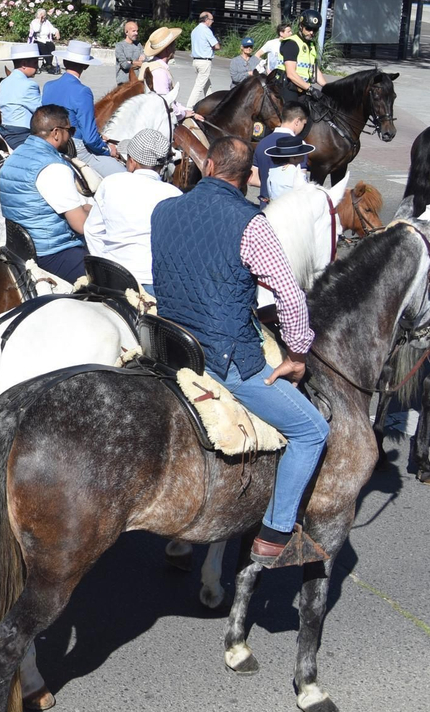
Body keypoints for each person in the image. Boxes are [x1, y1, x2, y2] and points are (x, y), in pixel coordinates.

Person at [151, 136, 328, 562]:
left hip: (170, 342)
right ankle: (275, 533)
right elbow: (289, 294)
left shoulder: (164, 210)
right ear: (250, 176)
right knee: (312, 430)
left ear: (208, 165)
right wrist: (298, 353)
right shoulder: (252, 223)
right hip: (222, 356)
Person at [0, 104, 93, 283]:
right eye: (69, 130)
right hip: (53, 253)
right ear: (56, 132)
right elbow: (80, 225)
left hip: (20, 248)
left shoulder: (15, 156)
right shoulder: (54, 167)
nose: (70, 136)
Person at [84, 128, 180, 292]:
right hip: (153, 281)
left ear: (132, 161)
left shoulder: (111, 182)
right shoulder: (174, 195)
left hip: (112, 277)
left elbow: (91, 230)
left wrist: (106, 262)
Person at [43, 40, 124, 177]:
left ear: (65, 62)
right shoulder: (82, 91)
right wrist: (108, 149)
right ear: (86, 66)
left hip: (48, 142)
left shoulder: (48, 85)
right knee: (123, 174)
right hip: (74, 148)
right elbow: (90, 138)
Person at [251, 103, 309, 205]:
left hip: (266, 208)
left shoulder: (261, 143)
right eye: (304, 124)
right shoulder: (299, 147)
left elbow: (252, 179)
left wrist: (270, 186)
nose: (303, 128)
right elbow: (300, 183)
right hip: (288, 207)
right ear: (297, 121)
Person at [0, 43, 43, 149]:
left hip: (4, 129)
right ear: (24, 64)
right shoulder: (29, 85)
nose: (37, 66)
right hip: (22, 133)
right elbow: (40, 110)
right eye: (35, 62)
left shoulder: (4, 82)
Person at [277, 9, 329, 105]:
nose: (311, 32)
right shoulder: (291, 43)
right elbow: (291, 74)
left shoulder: (311, 45)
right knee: (292, 115)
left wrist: (328, 87)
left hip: (302, 87)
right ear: (301, 26)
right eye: (308, 28)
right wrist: (310, 89)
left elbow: (314, 69)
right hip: (288, 86)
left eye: (315, 29)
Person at [261, 134, 315, 201]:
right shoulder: (297, 174)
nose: (304, 155)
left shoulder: (273, 171)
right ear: (293, 158)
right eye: (301, 154)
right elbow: (305, 197)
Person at [186, 10, 220, 108]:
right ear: (206, 20)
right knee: (199, 86)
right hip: (204, 61)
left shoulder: (195, 30)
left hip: (196, 61)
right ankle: (189, 107)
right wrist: (215, 47)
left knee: (206, 84)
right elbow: (216, 46)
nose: (212, 22)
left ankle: (212, 104)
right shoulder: (206, 30)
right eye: (211, 20)